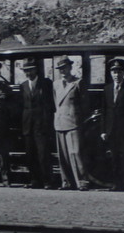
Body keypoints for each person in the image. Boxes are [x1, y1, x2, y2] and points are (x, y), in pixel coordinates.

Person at [100, 58, 124, 191]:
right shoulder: (107, 89)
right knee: (114, 157)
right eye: (114, 72)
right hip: (111, 129)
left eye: (119, 72)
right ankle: (116, 183)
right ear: (111, 74)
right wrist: (103, 130)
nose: (116, 75)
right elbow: (104, 110)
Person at [53, 56, 90, 191]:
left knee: (76, 153)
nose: (62, 71)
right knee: (62, 155)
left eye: (65, 68)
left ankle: (82, 182)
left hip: (73, 121)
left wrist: (79, 119)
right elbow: (56, 102)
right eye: (60, 69)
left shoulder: (78, 83)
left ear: (70, 68)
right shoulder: (55, 84)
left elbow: (84, 104)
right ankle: (66, 182)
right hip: (59, 121)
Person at [19, 57, 56, 189]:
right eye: (26, 71)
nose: (28, 73)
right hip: (28, 125)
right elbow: (21, 106)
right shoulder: (22, 86)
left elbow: (50, 105)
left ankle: (48, 181)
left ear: (36, 70)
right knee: (30, 154)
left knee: (43, 154)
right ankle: (35, 180)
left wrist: (47, 123)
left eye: (30, 70)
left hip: (42, 125)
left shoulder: (46, 84)